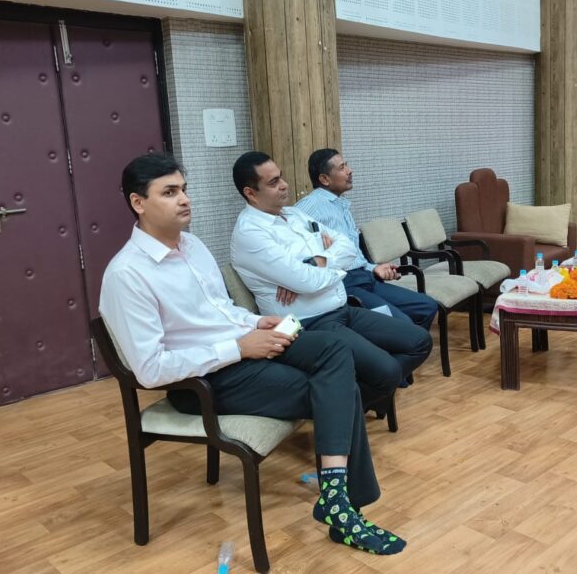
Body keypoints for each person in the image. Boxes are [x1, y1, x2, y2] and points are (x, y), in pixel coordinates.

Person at [99, 153, 405, 555]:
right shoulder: (127, 274)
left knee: (334, 349)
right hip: (204, 382)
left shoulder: (192, 246)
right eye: (169, 192)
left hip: (243, 350)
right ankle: (342, 506)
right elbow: (150, 369)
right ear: (138, 203)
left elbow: (220, 309)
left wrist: (256, 322)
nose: (184, 199)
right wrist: (237, 347)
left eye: (184, 189)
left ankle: (335, 499)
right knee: (337, 389)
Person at [230, 151, 432, 396]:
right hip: (309, 322)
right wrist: (328, 267)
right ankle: (346, 396)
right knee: (387, 370)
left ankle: (350, 392)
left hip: (341, 307)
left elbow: (346, 245)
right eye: (273, 182)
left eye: (281, 177)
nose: (284, 185)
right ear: (250, 193)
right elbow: (306, 281)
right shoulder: (251, 233)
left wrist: (315, 263)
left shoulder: (293, 214)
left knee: (420, 341)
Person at [295, 149, 438, 331]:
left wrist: (374, 268)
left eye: (347, 165)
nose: (350, 171)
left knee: (427, 307)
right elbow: (289, 246)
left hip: (365, 277)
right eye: (342, 168)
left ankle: (404, 344)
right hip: (344, 284)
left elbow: (354, 255)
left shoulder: (340, 204)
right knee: (403, 325)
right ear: (324, 179)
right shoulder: (309, 206)